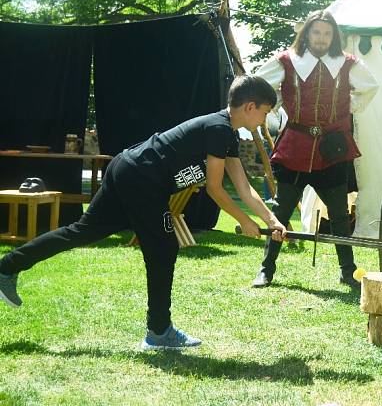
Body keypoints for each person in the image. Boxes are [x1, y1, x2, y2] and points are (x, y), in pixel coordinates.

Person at [0, 75, 287, 349]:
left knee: (83, 232)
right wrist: (244, 222)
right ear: (250, 107)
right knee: (163, 247)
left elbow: (244, 188)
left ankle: (7, 267)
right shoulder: (218, 128)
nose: (265, 120)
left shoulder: (226, 135)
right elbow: (215, 188)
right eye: (265, 112)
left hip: (128, 170)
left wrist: (272, 221)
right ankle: (159, 332)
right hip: (140, 179)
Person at [252, 9, 379, 289]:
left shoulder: (347, 64)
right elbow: (259, 84)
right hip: (295, 146)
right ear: (307, 33)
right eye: (316, 32)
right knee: (281, 212)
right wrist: (274, 108)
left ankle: (348, 272)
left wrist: (348, 109)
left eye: (327, 33)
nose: (321, 38)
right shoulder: (287, 61)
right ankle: (266, 269)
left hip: (332, 148)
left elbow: (370, 87)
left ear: (334, 36)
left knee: (339, 215)